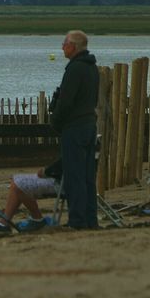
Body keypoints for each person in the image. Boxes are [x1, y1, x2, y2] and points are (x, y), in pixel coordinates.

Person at [50, 30, 100, 229]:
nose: (62, 47)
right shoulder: (92, 68)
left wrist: (56, 121)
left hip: (75, 127)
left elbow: (66, 101)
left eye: (65, 43)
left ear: (74, 46)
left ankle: (77, 220)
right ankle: (90, 220)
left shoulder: (75, 68)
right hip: (89, 125)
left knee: (74, 176)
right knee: (87, 177)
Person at [0, 159, 61, 234]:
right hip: (68, 182)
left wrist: (47, 171)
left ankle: (37, 219)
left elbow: (67, 160)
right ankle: (3, 223)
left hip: (64, 184)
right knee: (18, 183)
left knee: (18, 182)